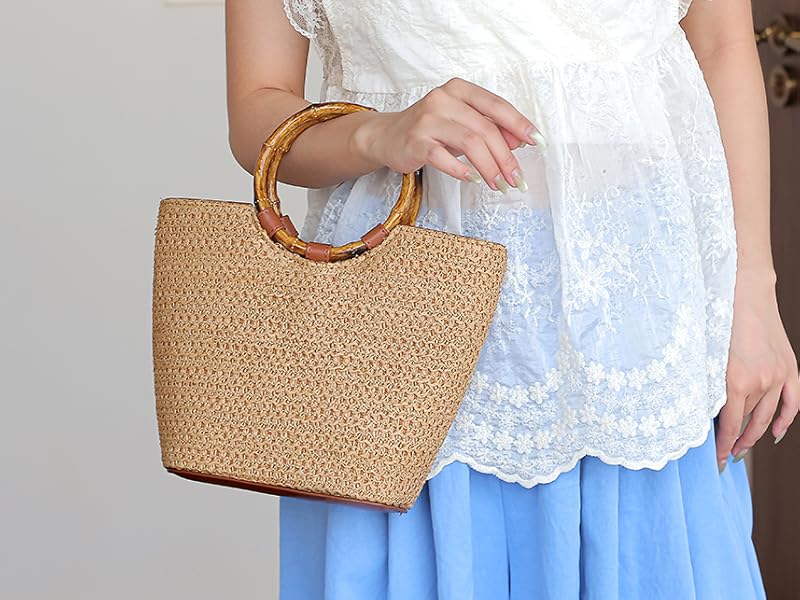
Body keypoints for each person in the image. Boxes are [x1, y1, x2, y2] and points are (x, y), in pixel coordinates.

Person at [225, 0, 800, 597]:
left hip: (641, 326)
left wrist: (753, 293)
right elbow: (257, 107)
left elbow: (723, 46)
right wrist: (376, 132)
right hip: (399, 329)